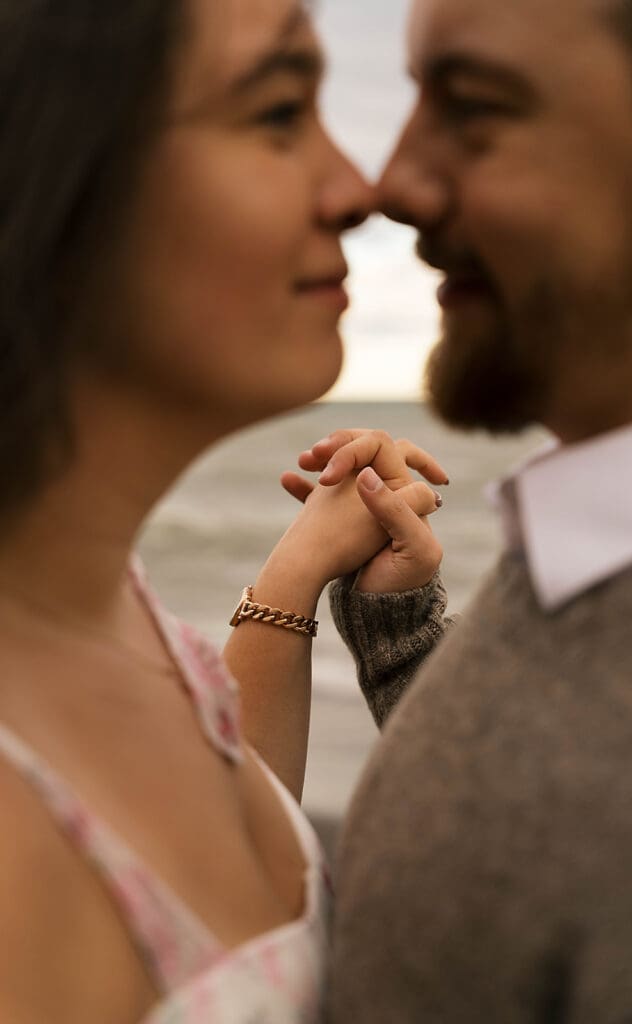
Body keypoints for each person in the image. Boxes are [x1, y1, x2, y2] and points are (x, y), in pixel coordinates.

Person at [0, 2, 448, 1021]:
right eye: (279, 110)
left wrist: (305, 571)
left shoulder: (102, 595)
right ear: (54, 166)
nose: (357, 188)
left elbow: (222, 816)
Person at [281, 0, 632, 1020]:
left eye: (473, 107)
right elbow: (563, 829)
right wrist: (395, 629)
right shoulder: (607, 539)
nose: (390, 184)